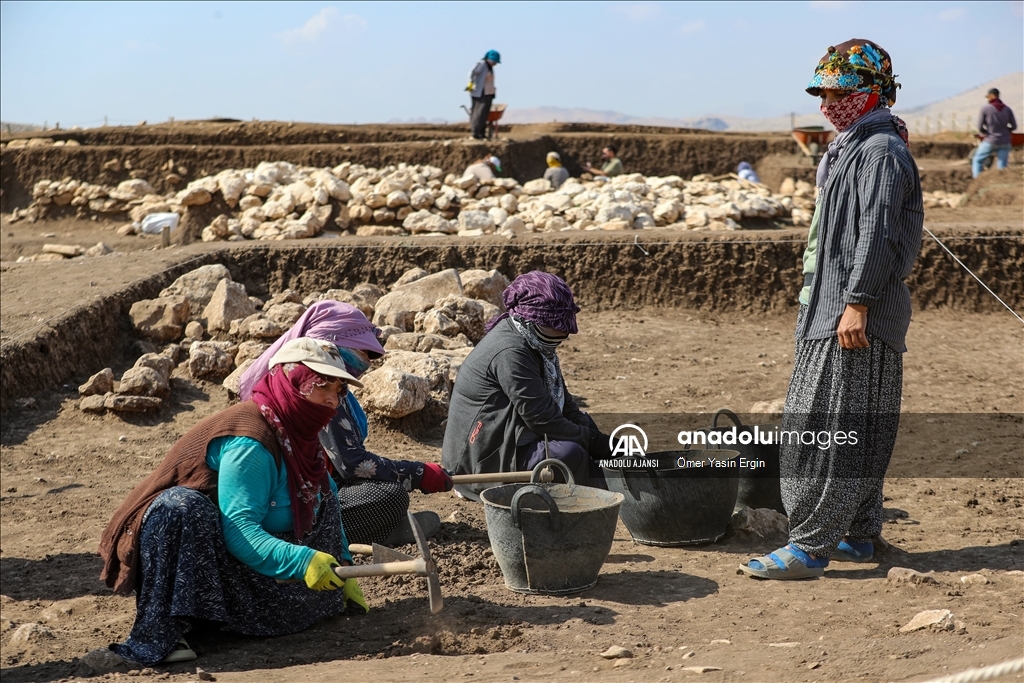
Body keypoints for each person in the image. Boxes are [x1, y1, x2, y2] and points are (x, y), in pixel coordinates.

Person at [740, 39, 923, 580]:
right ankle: (858, 536)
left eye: (840, 91)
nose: (827, 102)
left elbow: (879, 233)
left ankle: (810, 547)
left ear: (871, 92)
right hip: (836, 306)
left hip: (852, 311)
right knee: (857, 427)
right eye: (823, 91)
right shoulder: (854, 146)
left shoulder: (880, 152)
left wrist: (857, 303)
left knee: (828, 430)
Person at [98, 338, 369, 665]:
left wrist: (345, 565)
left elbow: (328, 500)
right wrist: (302, 562)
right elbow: (239, 529)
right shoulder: (251, 442)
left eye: (339, 390)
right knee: (179, 508)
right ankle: (167, 631)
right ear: (291, 383)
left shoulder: (299, 435)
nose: (331, 399)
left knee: (326, 485)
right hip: (206, 553)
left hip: (249, 560)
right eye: (321, 385)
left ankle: (292, 609)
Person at [239, 301, 453, 546]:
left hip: (314, 486)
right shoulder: (314, 391)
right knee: (389, 496)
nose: (367, 362)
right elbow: (351, 462)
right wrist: (418, 473)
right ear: (329, 345)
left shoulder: (335, 392)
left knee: (379, 489)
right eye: (362, 352)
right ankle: (339, 538)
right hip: (287, 503)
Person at [442, 271, 611, 501]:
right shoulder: (511, 352)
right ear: (532, 319)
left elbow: (563, 405)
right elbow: (543, 419)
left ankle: (605, 481)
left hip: (511, 433)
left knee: (584, 428)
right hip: (481, 460)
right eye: (556, 325)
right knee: (569, 454)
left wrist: (599, 440)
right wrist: (594, 442)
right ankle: (604, 493)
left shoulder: (536, 343)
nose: (563, 333)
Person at [972, 87, 1017, 177]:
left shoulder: (985, 108)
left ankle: (976, 181)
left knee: (978, 160)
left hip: (990, 140)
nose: (988, 99)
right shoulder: (1008, 109)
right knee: (1002, 166)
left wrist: (986, 131)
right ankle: (1000, 184)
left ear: (991, 96)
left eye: (988, 97)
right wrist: (1005, 131)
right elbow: (1014, 126)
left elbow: (980, 127)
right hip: (1005, 141)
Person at [467, 50, 500, 140]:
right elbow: (472, 73)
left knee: (484, 114)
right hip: (479, 93)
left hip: (488, 93)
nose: (495, 63)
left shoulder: (490, 67)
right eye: (494, 61)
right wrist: (471, 83)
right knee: (479, 113)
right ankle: (475, 132)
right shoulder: (482, 65)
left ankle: (481, 133)